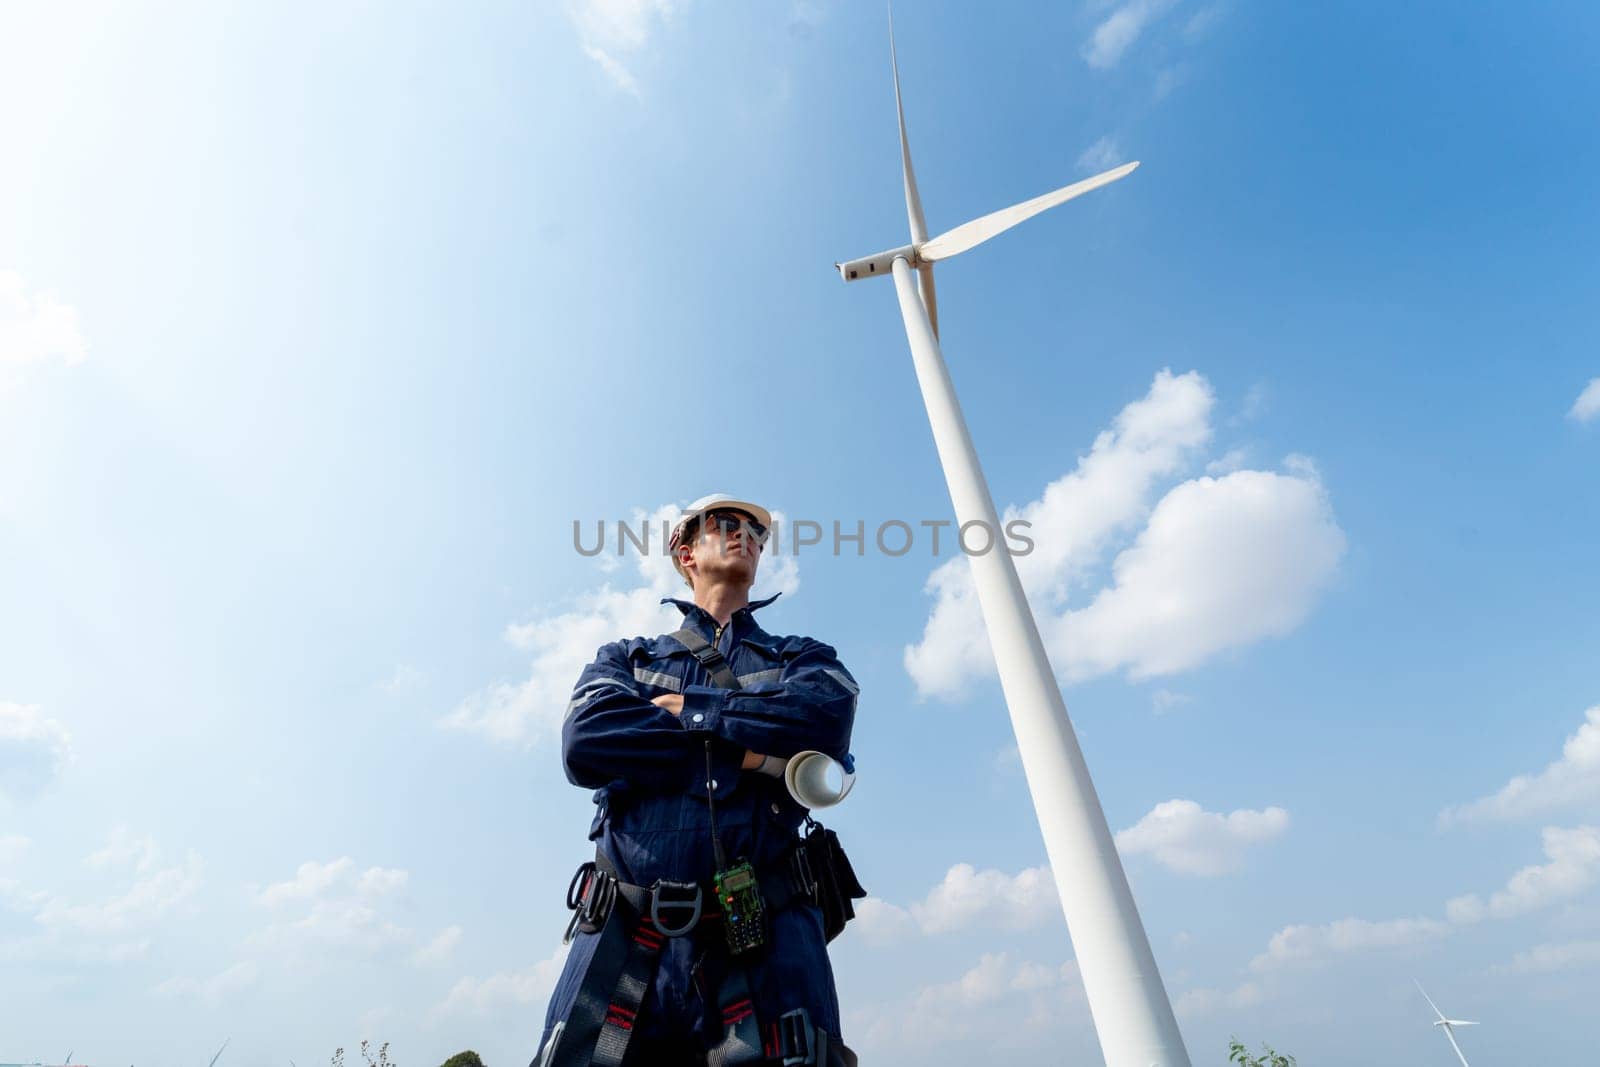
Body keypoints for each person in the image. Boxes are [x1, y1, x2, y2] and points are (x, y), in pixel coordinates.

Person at [532, 494, 861, 1067]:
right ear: (685, 552)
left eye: (756, 532)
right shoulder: (626, 658)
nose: (746, 535)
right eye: (726, 525)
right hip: (624, 940)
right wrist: (755, 756)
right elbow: (586, 740)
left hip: (771, 942)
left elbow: (825, 720)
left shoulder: (803, 657)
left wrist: (686, 709)